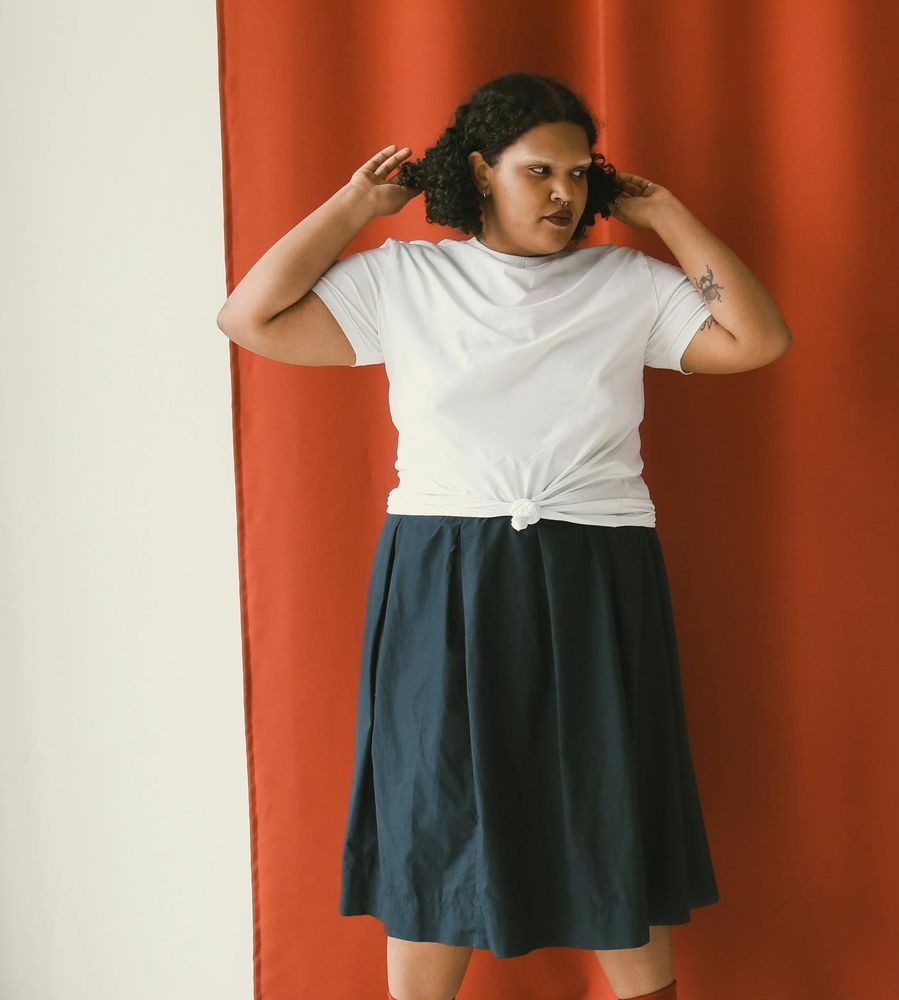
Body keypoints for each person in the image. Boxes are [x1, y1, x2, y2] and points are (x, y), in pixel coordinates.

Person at [217, 72, 792, 1000]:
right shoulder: (406, 277)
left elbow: (756, 338)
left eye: (578, 173)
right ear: (482, 172)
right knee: (434, 813)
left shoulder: (625, 283)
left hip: (595, 567)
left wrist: (670, 217)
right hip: (441, 568)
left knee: (607, 812)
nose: (564, 194)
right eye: (538, 172)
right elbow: (249, 316)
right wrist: (356, 207)